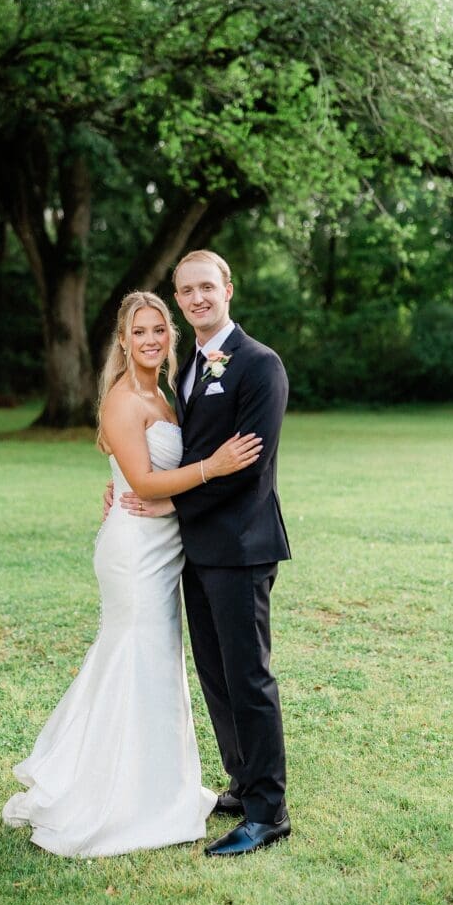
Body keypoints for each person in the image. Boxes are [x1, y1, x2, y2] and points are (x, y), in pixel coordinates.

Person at [1, 290, 262, 858]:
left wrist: (127, 478)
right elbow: (144, 484)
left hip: (165, 545)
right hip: (136, 550)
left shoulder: (165, 392)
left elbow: (139, 468)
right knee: (134, 658)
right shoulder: (124, 398)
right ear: (122, 341)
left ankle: (154, 788)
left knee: (155, 661)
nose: (150, 339)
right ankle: (115, 799)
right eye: (138, 331)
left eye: (158, 330)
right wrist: (211, 467)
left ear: (169, 336)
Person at [117, 250, 291, 856]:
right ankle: (243, 784)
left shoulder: (260, 365)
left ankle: (269, 812)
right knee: (215, 674)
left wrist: (172, 507)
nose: (196, 298)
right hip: (199, 550)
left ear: (228, 290)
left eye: (206, 287)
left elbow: (248, 471)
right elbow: (181, 452)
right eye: (185, 291)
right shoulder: (189, 365)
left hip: (242, 547)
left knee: (248, 675)